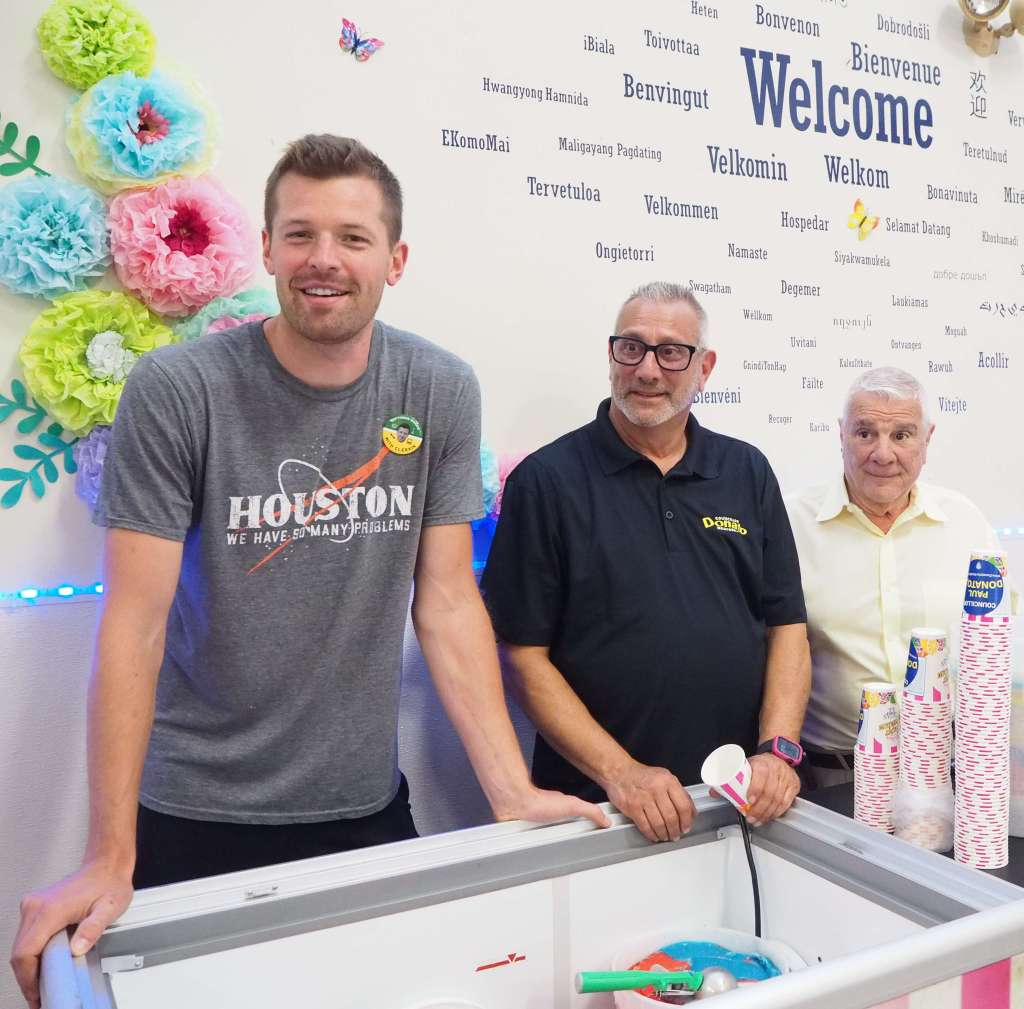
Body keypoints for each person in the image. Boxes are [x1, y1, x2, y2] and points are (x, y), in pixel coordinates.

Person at [10, 135, 606, 1009]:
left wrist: (511, 790)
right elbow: (134, 624)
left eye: (353, 237)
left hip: (364, 806)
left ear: (395, 259)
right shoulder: (177, 389)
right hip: (193, 810)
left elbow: (446, 601)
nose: (324, 258)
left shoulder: (437, 387)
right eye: (300, 234)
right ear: (266, 248)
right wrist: (109, 851)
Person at [481, 282, 811, 845]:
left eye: (671, 352)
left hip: (738, 800)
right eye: (631, 348)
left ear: (704, 368)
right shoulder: (545, 482)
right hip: (599, 809)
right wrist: (621, 774)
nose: (648, 370)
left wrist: (777, 750)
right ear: (611, 356)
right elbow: (521, 657)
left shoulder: (747, 471)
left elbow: (787, 626)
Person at [785, 367, 1020, 786]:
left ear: (927, 439)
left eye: (902, 435)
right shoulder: (791, 523)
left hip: (950, 770)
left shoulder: (965, 522)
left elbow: (999, 642)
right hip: (831, 776)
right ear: (841, 435)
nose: (883, 454)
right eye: (865, 433)